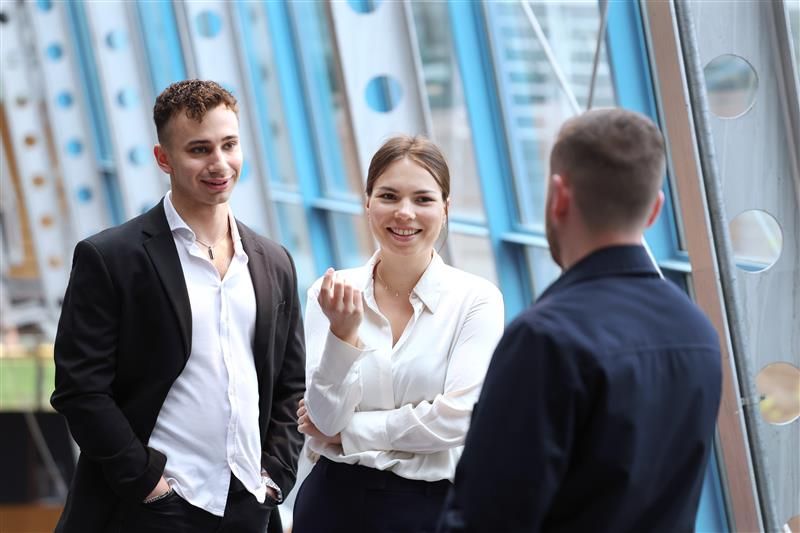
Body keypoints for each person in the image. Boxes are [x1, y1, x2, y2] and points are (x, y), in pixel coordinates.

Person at [439, 108, 722, 532]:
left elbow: (486, 518)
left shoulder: (545, 338)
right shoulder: (697, 332)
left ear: (560, 196)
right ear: (654, 210)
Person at [50, 79, 305, 533]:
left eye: (229, 144)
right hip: (153, 508)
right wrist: (149, 484)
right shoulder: (111, 258)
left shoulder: (273, 261)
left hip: (247, 506)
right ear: (163, 158)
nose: (219, 163)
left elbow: (289, 385)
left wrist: (273, 476)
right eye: (199, 149)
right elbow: (79, 390)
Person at [291, 135, 505, 533]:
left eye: (422, 199)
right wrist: (343, 334)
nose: (404, 213)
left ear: (445, 208)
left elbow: (459, 419)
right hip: (333, 504)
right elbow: (323, 417)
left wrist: (350, 433)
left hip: (429, 509)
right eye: (389, 196)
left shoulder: (476, 300)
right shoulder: (332, 293)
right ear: (367, 201)